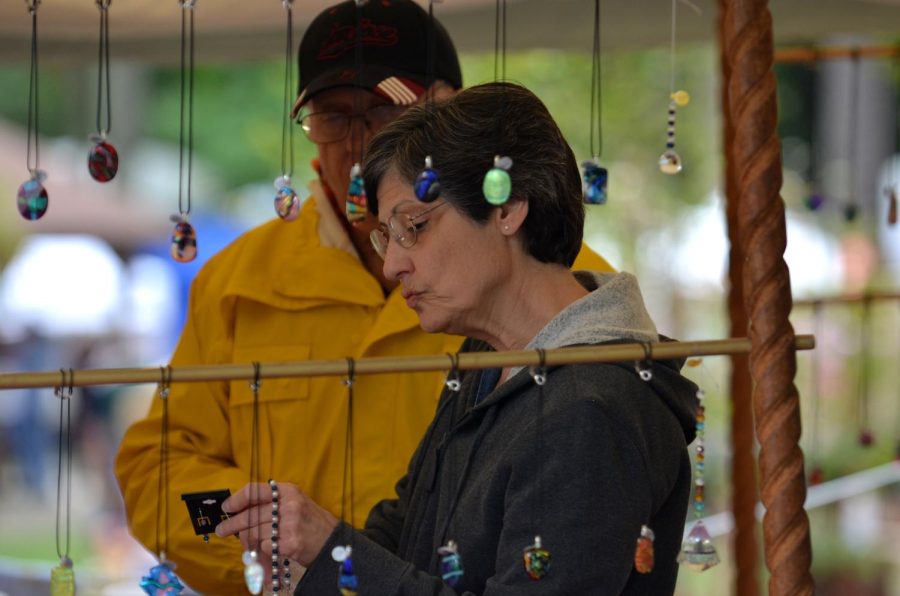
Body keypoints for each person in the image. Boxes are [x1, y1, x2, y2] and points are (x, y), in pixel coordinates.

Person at [115, 2, 615, 593]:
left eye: (384, 109)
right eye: (332, 116)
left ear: (447, 112)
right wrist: (261, 544)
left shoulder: (558, 286)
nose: (358, 141)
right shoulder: (237, 283)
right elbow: (159, 473)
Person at [216, 82, 700, 595]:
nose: (393, 263)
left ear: (508, 209)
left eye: (414, 226)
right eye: (386, 237)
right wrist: (306, 557)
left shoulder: (592, 406)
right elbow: (412, 534)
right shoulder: (487, 360)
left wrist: (327, 547)